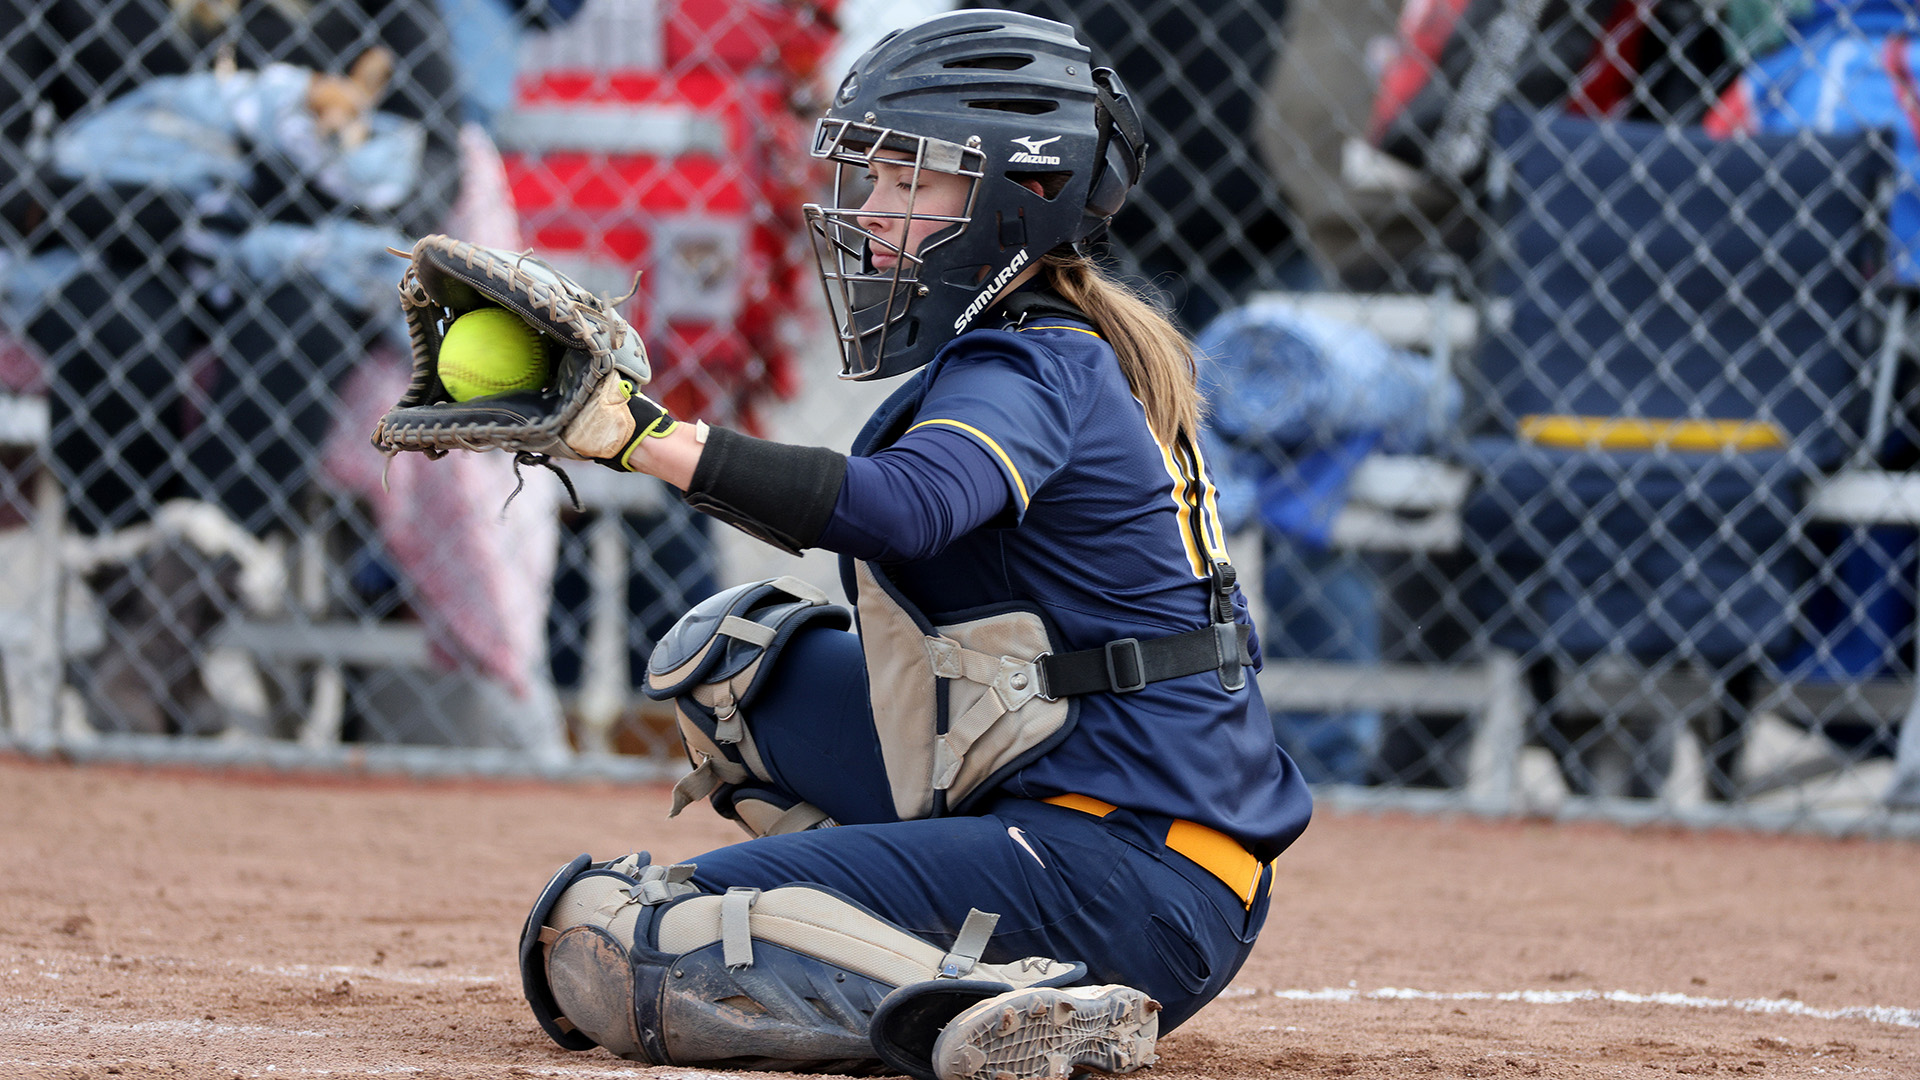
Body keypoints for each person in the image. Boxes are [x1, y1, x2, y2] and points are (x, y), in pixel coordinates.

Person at [513, 9, 1311, 1077]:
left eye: (912, 182)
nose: (875, 213)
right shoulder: (1040, 344)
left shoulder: (1040, 366)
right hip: (1086, 817)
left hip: (1127, 876)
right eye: (874, 179)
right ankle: (914, 922)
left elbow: (904, 508)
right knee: (732, 665)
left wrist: (643, 439)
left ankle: (998, 997)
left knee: (627, 931)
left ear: (1016, 196)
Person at [0, 0, 463, 733]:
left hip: (307, 248)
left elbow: (435, 164)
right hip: (108, 239)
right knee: (116, 331)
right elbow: (8, 166)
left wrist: (293, 194)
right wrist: (141, 212)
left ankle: (145, 659)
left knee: (297, 327)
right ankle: (159, 661)